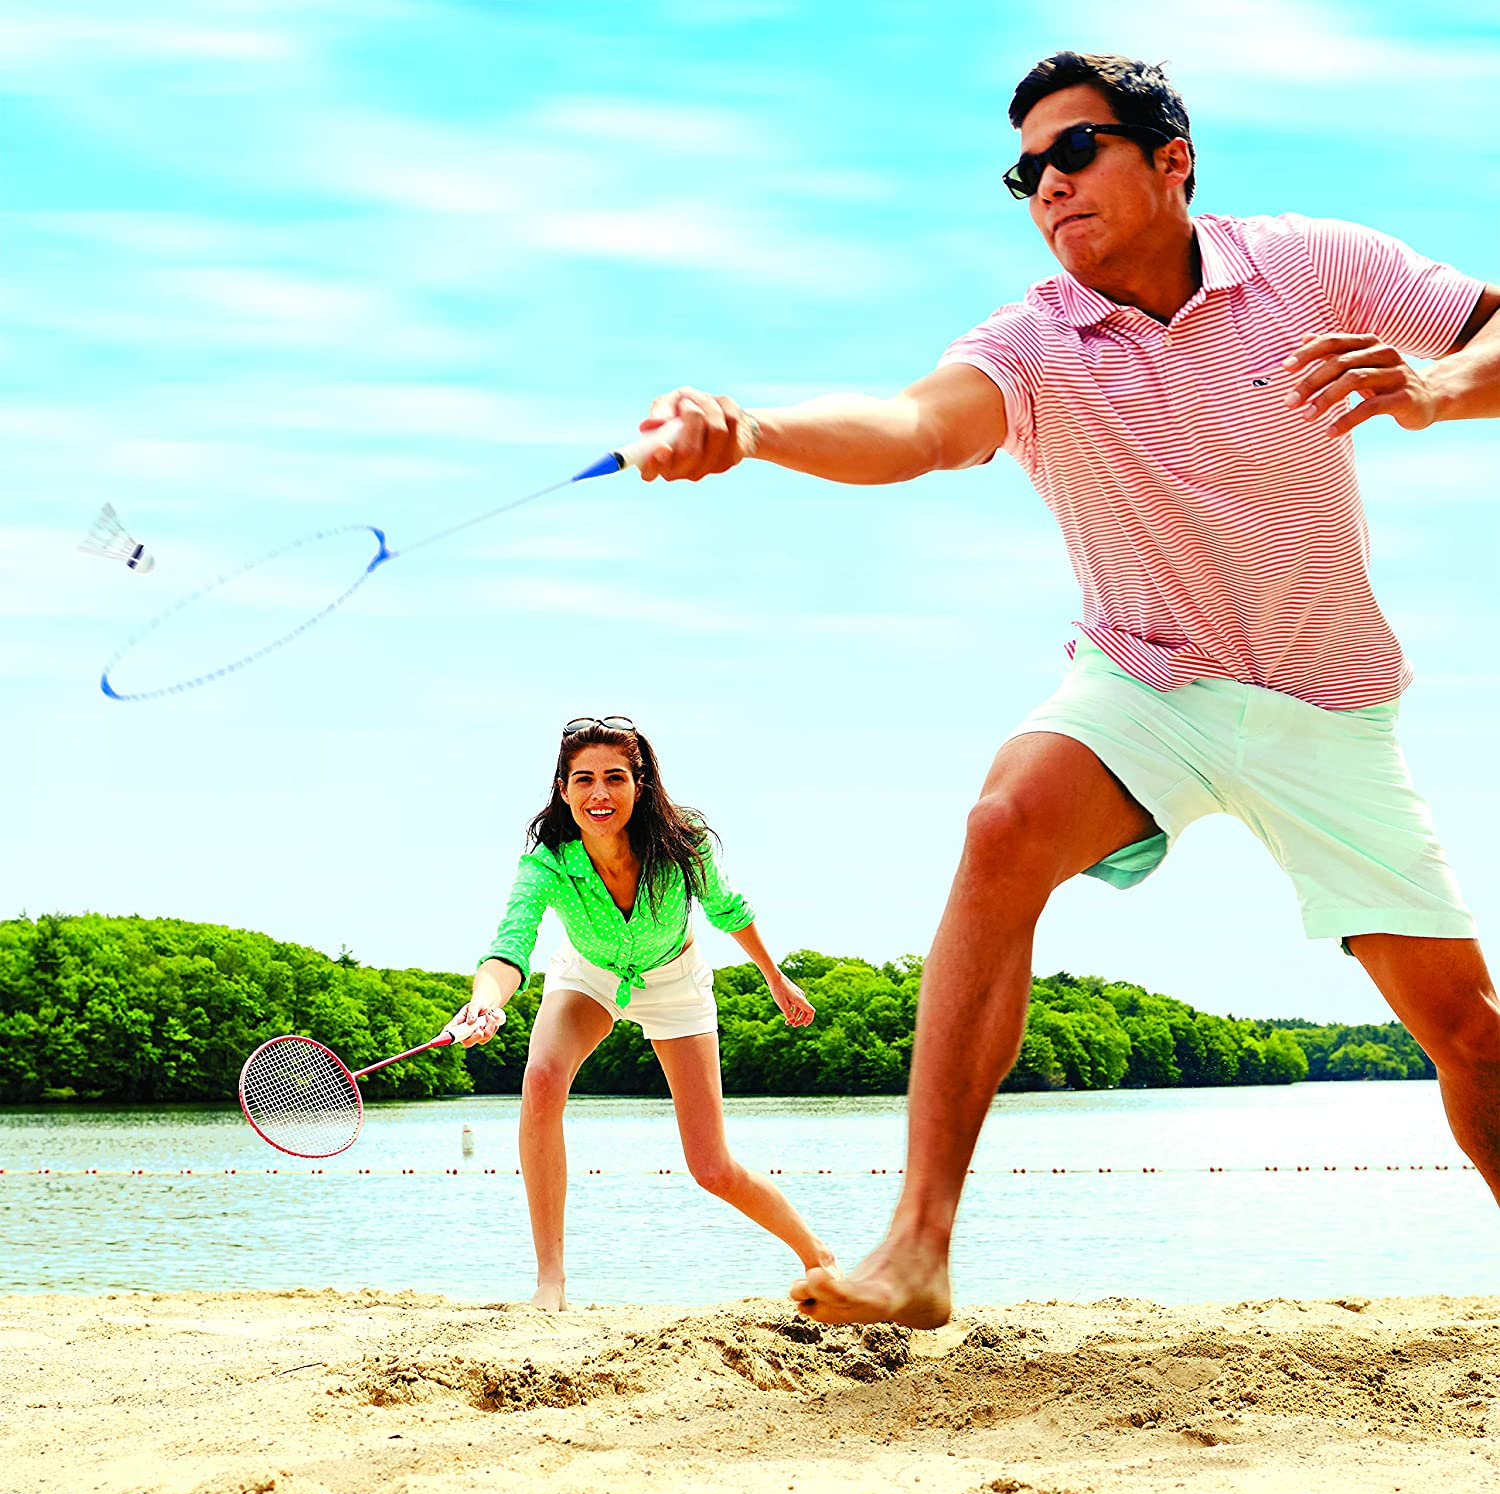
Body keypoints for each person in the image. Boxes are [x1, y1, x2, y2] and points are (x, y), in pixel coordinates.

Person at [628, 51, 1500, 1329]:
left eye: (1075, 150)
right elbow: (917, 428)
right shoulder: (1032, 342)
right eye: (1025, 170)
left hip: (1326, 703)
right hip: (1143, 684)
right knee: (1005, 821)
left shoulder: (1309, 264)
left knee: (1472, 1036)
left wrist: (1437, 385)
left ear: (1172, 161)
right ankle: (915, 1250)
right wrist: (754, 431)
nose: (1047, 184)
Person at [451, 715, 838, 1311]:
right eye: (584, 780)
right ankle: (550, 1282)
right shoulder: (547, 865)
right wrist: (485, 1000)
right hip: (589, 977)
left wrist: (775, 977)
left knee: (711, 1167)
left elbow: (729, 909)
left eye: (614, 778)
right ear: (563, 789)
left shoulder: (683, 847)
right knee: (542, 1080)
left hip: (676, 982)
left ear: (640, 784)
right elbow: (510, 945)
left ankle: (819, 1259)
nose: (599, 794)